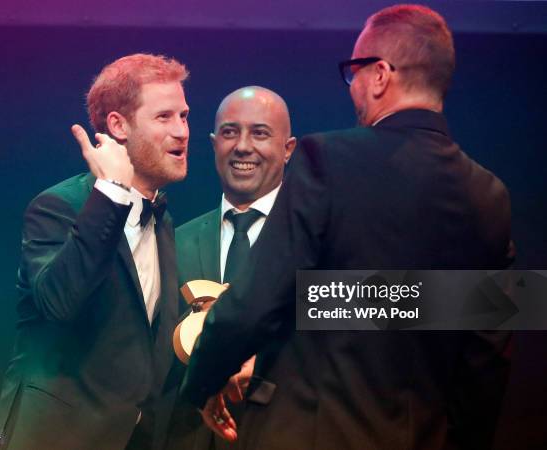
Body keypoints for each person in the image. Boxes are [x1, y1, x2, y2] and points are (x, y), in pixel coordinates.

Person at [181, 5, 514, 450]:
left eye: (353, 72)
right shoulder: (490, 195)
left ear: (379, 75)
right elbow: (487, 355)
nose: (352, 86)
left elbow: (259, 299)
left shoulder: (327, 160)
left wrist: (201, 382)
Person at [0, 53, 190, 450]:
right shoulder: (56, 207)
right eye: (164, 117)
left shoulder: (162, 221)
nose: (182, 131)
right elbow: (60, 303)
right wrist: (112, 194)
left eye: (184, 116)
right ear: (118, 125)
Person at [155, 86, 296, 450]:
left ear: (288, 149)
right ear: (215, 144)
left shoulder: (316, 242)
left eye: (260, 133)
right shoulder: (172, 241)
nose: (243, 146)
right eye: (230, 132)